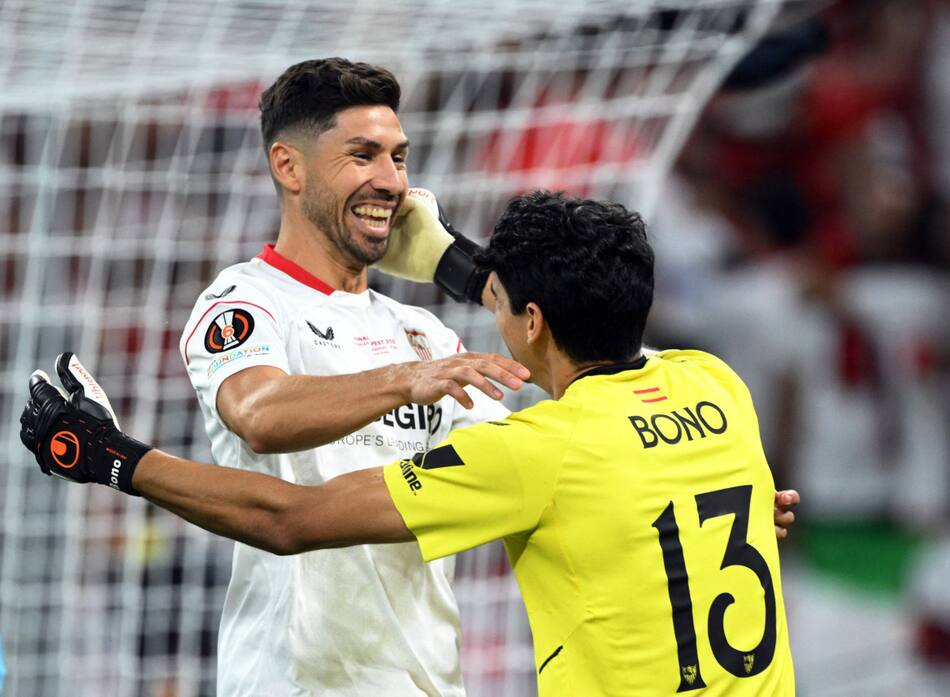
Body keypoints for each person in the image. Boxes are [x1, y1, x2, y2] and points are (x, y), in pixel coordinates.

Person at [21, 191, 797, 696]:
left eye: (501, 307)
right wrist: (465, 264)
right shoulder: (715, 385)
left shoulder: (534, 452)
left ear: (531, 322)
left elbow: (289, 520)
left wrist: (114, 456)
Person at [174, 57, 532, 696]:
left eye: (399, 158)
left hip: (427, 682)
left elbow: (539, 456)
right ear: (289, 166)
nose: (392, 182)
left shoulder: (422, 333)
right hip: (294, 682)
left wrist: (470, 278)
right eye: (363, 155)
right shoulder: (245, 302)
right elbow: (259, 414)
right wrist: (405, 381)